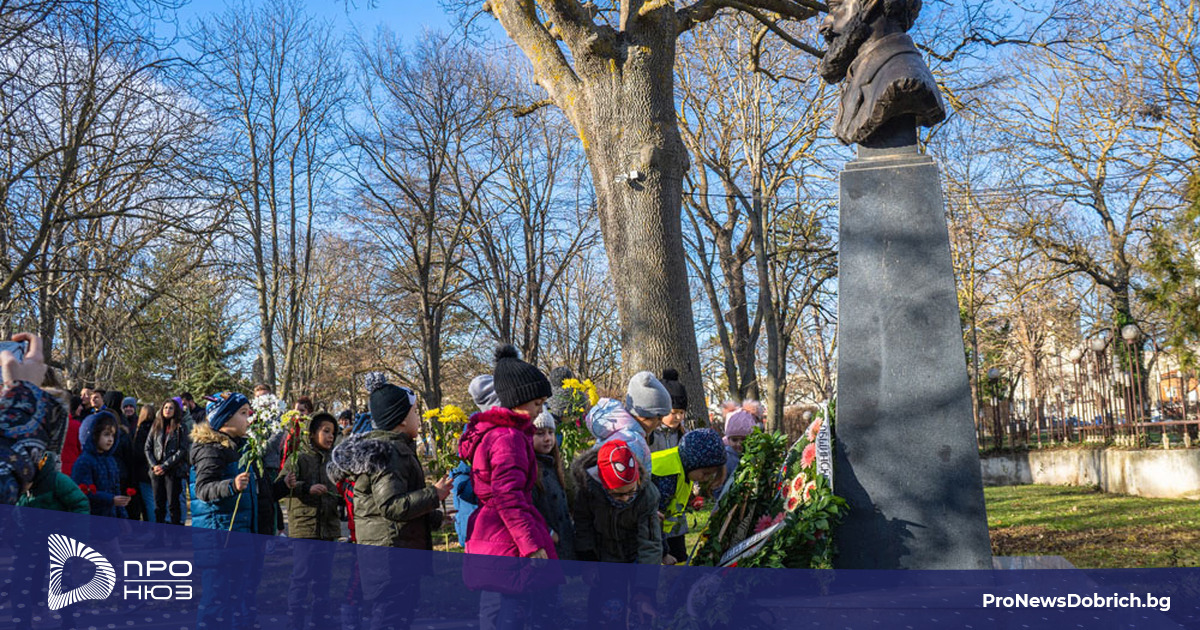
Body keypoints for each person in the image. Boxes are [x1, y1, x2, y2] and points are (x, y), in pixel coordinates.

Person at [329, 373, 451, 630]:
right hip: (391, 560)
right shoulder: (389, 452)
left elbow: (402, 501)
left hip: (395, 555)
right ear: (402, 419)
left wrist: (436, 517)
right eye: (415, 412)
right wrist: (434, 494)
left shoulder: (397, 448)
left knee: (397, 617)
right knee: (390, 618)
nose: (418, 418)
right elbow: (391, 505)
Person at [458, 345, 559, 630]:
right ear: (518, 399)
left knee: (497, 611)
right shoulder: (508, 438)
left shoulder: (501, 433)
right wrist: (531, 545)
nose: (540, 410)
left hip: (494, 536)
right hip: (507, 541)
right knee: (511, 612)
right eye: (537, 403)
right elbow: (508, 497)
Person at [190, 391, 295, 629]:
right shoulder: (211, 448)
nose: (249, 418)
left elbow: (259, 493)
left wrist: (281, 487)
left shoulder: (245, 448)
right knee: (218, 602)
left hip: (244, 538)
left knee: (239, 599)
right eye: (243, 413)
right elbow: (203, 489)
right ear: (225, 418)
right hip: (221, 538)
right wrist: (231, 486)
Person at [572, 439, 660, 628]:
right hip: (606, 555)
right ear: (603, 485)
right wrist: (588, 562)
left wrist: (645, 588)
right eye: (618, 494)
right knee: (608, 611)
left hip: (636, 554)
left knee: (642, 608)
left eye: (631, 492)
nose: (626, 499)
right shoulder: (588, 492)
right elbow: (583, 527)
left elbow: (650, 542)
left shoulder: (647, 495)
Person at [282, 412, 343, 629]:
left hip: (328, 528)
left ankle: (321, 619)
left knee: (324, 578)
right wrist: (305, 488)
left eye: (333, 433)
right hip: (305, 529)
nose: (330, 437)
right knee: (301, 576)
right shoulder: (298, 458)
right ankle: (295, 620)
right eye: (326, 431)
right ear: (313, 433)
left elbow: (339, 488)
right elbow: (283, 485)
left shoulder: (333, 461)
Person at [651, 428, 728, 565]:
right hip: (650, 533)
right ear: (693, 463)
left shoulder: (683, 464)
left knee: (680, 561)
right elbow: (652, 519)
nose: (707, 478)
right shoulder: (668, 475)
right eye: (705, 473)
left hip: (668, 528)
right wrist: (663, 553)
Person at [531, 411, 574, 561]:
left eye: (551, 432)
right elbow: (528, 510)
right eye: (540, 433)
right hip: (547, 548)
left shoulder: (554, 466)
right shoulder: (531, 472)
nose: (548, 438)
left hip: (564, 544)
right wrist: (549, 533)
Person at [146, 398, 190, 541]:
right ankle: (158, 538)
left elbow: (182, 449)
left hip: (173, 471)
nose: (167, 410)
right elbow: (148, 447)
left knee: (173, 504)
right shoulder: (156, 426)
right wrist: (154, 465)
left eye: (171, 408)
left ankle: (176, 539)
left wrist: (165, 465)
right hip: (156, 471)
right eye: (165, 407)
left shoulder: (181, 427)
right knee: (158, 505)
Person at [653, 369, 688, 452]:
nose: (678, 417)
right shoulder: (649, 436)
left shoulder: (685, 436)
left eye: (681, 412)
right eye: (673, 413)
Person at [131, 404, 155, 523]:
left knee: (149, 502)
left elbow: (138, 452)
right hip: (156, 468)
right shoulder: (158, 428)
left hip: (143, 471)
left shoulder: (141, 430)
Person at [60, 395, 85, 476]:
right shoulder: (77, 426)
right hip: (73, 467)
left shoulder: (55, 423)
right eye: (79, 405)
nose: (81, 408)